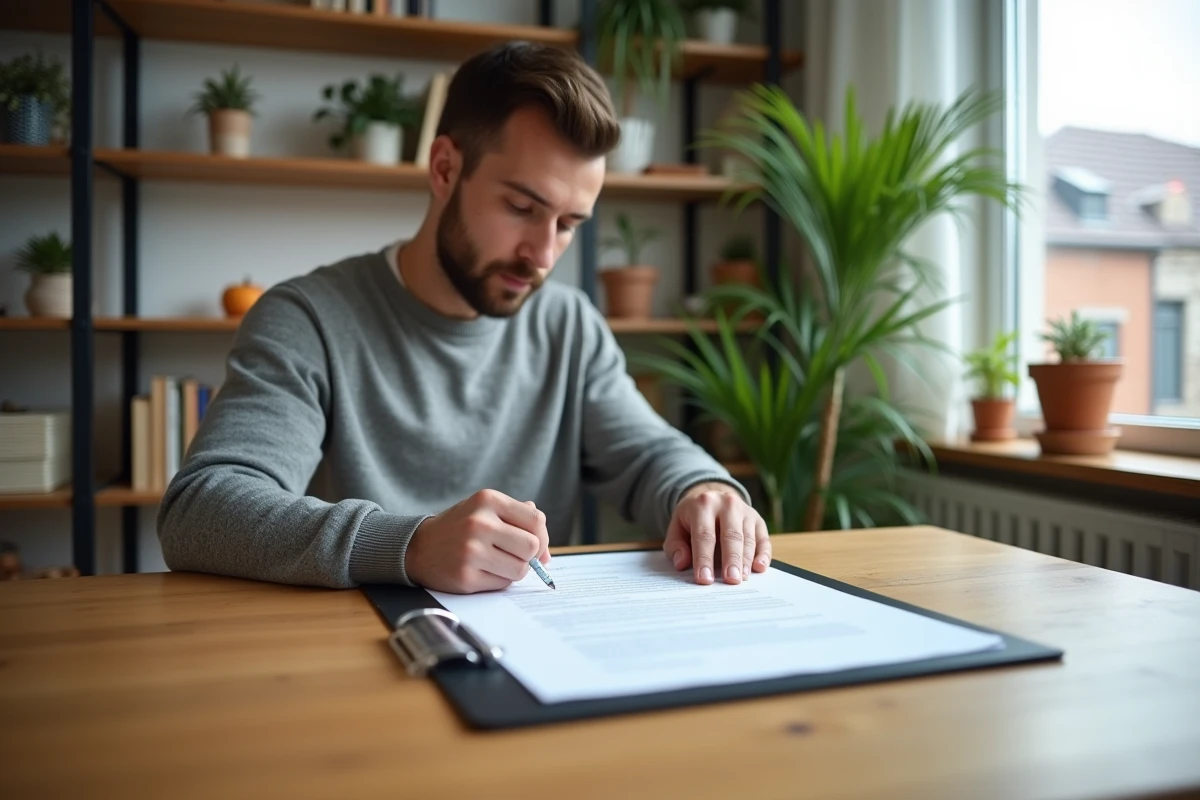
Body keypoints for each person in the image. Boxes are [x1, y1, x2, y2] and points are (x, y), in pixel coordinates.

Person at [157, 41, 772, 594]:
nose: (543, 254)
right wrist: (410, 544)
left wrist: (703, 489)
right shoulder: (307, 318)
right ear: (445, 168)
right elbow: (201, 511)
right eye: (521, 207)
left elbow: (646, 454)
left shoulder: (569, 325)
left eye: (568, 224)